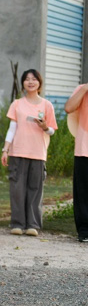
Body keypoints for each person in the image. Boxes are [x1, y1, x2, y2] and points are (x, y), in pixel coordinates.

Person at [1, 69, 57, 237]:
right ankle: (17, 224)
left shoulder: (47, 105)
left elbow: (52, 131)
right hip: (18, 152)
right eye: (27, 79)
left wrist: (45, 127)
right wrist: (5, 149)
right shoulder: (17, 104)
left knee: (35, 189)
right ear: (23, 83)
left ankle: (32, 224)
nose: (30, 82)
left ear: (39, 83)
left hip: (38, 153)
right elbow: (12, 129)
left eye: (34, 79)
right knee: (17, 189)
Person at [64, 82, 88, 242]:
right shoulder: (82, 89)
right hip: (84, 148)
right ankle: (84, 231)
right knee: (83, 192)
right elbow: (68, 108)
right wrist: (85, 89)